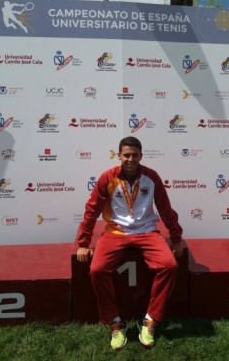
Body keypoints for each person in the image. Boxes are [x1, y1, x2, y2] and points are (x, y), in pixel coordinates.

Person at [76, 136, 184, 350]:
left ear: (141, 156)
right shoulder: (107, 177)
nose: (130, 159)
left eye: (135, 155)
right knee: (97, 269)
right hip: (116, 232)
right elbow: (92, 210)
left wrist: (177, 238)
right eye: (126, 155)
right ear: (119, 156)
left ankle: (151, 320)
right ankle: (115, 322)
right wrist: (83, 242)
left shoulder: (151, 177)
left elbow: (165, 209)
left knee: (169, 265)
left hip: (147, 232)